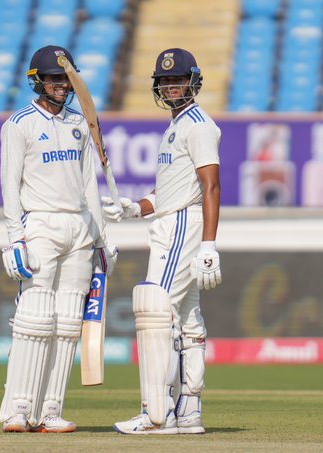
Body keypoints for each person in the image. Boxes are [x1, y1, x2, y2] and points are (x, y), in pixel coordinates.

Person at [102, 48, 222, 435]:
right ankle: (188, 412)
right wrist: (134, 208)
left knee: (156, 313)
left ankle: (157, 414)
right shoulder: (175, 127)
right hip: (173, 219)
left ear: (194, 81)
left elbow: (211, 186)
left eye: (178, 79)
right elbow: (168, 191)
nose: (172, 86)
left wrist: (208, 244)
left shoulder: (198, 125)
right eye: (165, 81)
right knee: (187, 322)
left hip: (183, 226)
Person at [0, 45, 117, 434]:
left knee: (67, 323)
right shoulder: (19, 124)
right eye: (54, 79)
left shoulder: (79, 123)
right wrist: (16, 238)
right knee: (34, 319)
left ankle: (50, 410)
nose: (62, 85)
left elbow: (89, 186)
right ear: (38, 81)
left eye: (67, 79)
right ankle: (18, 408)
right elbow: (9, 186)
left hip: (79, 228)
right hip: (41, 225)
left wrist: (101, 239)